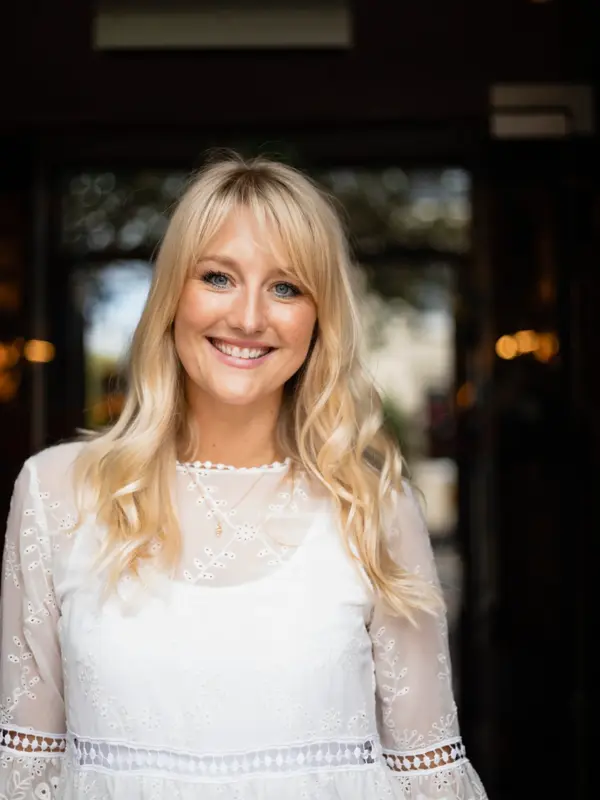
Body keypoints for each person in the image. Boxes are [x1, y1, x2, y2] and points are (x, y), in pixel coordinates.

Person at [0, 155, 488, 799]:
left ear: (320, 320)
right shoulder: (56, 491)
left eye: (286, 287)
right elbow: (26, 773)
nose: (250, 317)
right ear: (174, 292)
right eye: (218, 277)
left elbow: (430, 776)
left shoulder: (375, 507)